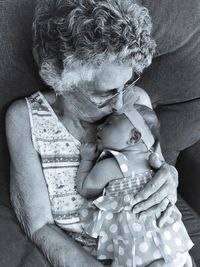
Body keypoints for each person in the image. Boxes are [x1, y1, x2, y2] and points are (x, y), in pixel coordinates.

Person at [5, 0, 180, 266]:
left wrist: (170, 177)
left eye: (128, 83)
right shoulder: (25, 119)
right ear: (61, 79)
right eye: (106, 92)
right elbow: (39, 226)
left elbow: (155, 170)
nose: (122, 104)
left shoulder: (136, 107)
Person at [76, 105, 193, 267]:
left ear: (134, 137)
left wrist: (87, 159)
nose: (99, 126)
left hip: (137, 251)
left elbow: (84, 188)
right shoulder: (154, 162)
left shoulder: (112, 165)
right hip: (172, 242)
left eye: (109, 123)